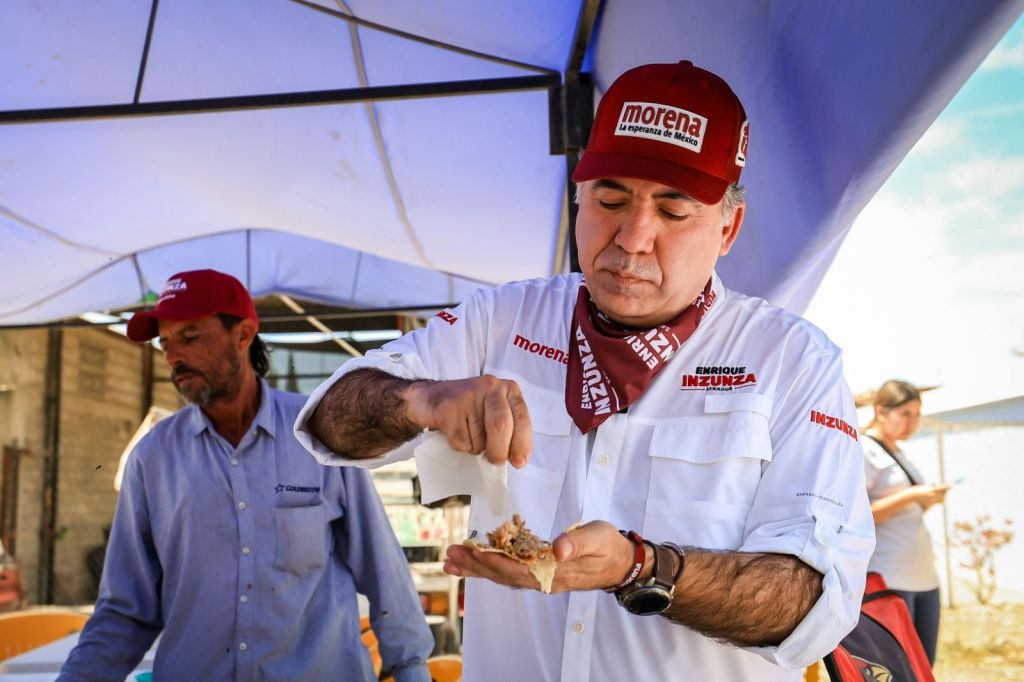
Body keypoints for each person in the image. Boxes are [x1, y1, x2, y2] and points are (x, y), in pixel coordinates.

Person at [295, 61, 875, 681]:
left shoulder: (791, 361)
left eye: (673, 211)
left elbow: (812, 603)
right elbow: (331, 421)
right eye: (610, 200)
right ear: (578, 197)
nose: (633, 237)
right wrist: (422, 399)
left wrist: (640, 567)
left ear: (727, 227)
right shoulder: (502, 320)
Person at [58, 269, 432, 682]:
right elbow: (125, 612)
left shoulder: (319, 433)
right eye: (165, 343)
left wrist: (411, 669)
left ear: (243, 335)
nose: (173, 356)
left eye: (190, 336)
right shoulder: (152, 459)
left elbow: (384, 575)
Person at [862, 379, 947, 666]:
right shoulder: (864, 450)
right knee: (895, 669)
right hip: (889, 577)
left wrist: (925, 499)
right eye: (905, 414)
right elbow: (859, 517)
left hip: (923, 576)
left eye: (917, 414)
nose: (912, 423)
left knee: (923, 668)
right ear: (881, 411)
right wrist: (913, 495)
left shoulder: (899, 451)